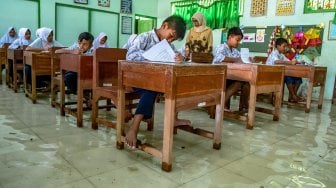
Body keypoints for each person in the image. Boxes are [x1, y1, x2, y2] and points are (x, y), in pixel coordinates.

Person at [125, 15, 189, 148]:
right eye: (171, 35)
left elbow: (176, 58)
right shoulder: (144, 37)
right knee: (151, 88)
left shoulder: (167, 45)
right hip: (136, 79)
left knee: (176, 83)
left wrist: (180, 57)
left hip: (155, 81)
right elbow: (130, 55)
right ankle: (134, 127)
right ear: (164, 26)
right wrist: (149, 58)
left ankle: (174, 118)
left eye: (174, 39)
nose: (171, 40)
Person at [212, 27, 250, 111]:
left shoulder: (235, 51)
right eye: (237, 40)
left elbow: (241, 59)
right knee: (239, 82)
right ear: (230, 37)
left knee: (247, 82)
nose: (238, 42)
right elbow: (218, 58)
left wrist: (247, 59)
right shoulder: (221, 47)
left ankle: (244, 106)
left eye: (239, 40)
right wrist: (237, 60)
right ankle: (220, 104)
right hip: (219, 76)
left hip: (230, 76)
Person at [55, 32, 94, 105]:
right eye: (80, 43)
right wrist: (72, 51)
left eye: (85, 44)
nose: (81, 46)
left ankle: (86, 94)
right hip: (74, 73)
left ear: (91, 45)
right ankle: (84, 95)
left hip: (87, 74)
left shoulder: (93, 50)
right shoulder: (75, 47)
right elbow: (57, 51)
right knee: (68, 78)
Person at [266, 37, 303, 103]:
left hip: (278, 74)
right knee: (287, 77)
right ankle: (293, 96)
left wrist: (297, 62)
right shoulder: (274, 53)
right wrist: (290, 62)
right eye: (284, 46)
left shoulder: (281, 55)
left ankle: (292, 96)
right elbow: (276, 62)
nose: (285, 48)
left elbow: (289, 61)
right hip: (270, 74)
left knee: (298, 77)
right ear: (278, 46)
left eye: (286, 46)